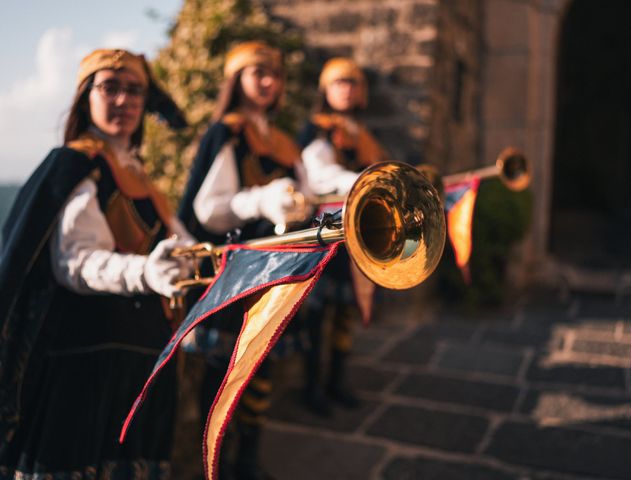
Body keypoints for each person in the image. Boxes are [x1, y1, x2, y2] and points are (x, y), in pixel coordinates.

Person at [0, 48, 192, 478]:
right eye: (110, 87)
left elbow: (182, 241)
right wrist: (144, 272)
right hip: (85, 356)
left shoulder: (137, 173)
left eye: (135, 91)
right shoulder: (75, 164)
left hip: (139, 356)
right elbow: (75, 260)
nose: (123, 101)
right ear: (86, 95)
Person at [179, 41, 308, 480]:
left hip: (276, 270)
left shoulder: (284, 142)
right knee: (221, 377)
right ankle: (213, 467)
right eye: (259, 73)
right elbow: (207, 209)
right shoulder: (226, 133)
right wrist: (259, 201)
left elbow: (304, 199)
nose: (269, 82)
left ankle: (247, 462)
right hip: (234, 274)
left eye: (275, 74)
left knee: (261, 368)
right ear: (237, 79)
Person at [297, 57, 389, 416]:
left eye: (353, 83)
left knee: (346, 312)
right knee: (317, 315)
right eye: (339, 82)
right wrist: (366, 182)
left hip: (358, 235)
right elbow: (318, 177)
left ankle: (336, 380)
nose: (347, 89)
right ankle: (312, 386)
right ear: (325, 89)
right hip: (327, 233)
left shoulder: (365, 135)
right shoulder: (316, 129)